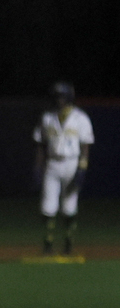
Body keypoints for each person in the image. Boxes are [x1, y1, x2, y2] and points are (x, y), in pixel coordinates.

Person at [36, 82, 94, 257]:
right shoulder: (47, 118)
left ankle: (68, 244)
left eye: (62, 96)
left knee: (69, 207)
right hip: (52, 164)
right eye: (57, 97)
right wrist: (38, 167)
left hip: (71, 162)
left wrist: (82, 168)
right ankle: (48, 245)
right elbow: (40, 143)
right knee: (48, 206)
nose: (59, 100)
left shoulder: (80, 118)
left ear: (69, 98)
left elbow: (85, 146)